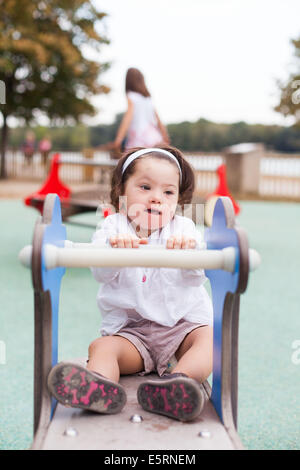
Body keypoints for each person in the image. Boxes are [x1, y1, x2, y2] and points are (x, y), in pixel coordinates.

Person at [48, 146, 213, 422]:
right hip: (132, 335)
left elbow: (198, 275)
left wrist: (190, 253)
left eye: (168, 192)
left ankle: (178, 384)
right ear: (122, 193)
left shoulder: (183, 230)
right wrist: (114, 252)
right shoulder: (112, 228)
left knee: (210, 339)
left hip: (180, 331)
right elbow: (101, 274)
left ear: (177, 200)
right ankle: (98, 388)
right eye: (145, 187)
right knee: (101, 347)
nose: (156, 198)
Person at [112, 68, 170, 153]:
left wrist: (119, 138)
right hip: (155, 137)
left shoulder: (131, 96)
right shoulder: (148, 98)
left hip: (139, 139)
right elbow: (158, 119)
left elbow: (128, 118)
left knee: (132, 163)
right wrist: (165, 136)